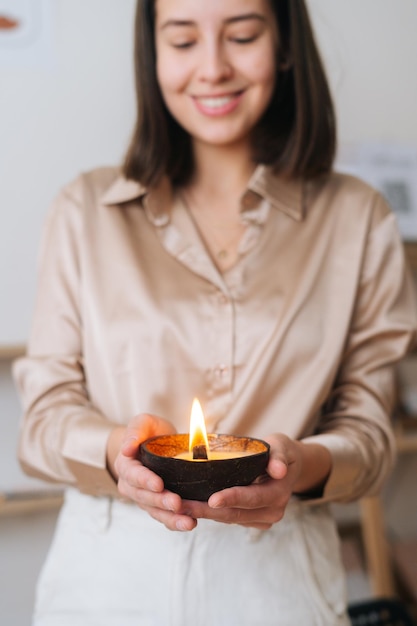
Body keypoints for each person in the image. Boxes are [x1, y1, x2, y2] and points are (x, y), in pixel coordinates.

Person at [13, 0, 417, 624]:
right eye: (182, 41)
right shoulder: (85, 210)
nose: (212, 67)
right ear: (152, 57)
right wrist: (118, 451)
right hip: (104, 582)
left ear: (283, 44)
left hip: (279, 584)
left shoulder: (357, 218)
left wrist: (300, 464)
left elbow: (370, 429)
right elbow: (43, 417)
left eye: (242, 35)